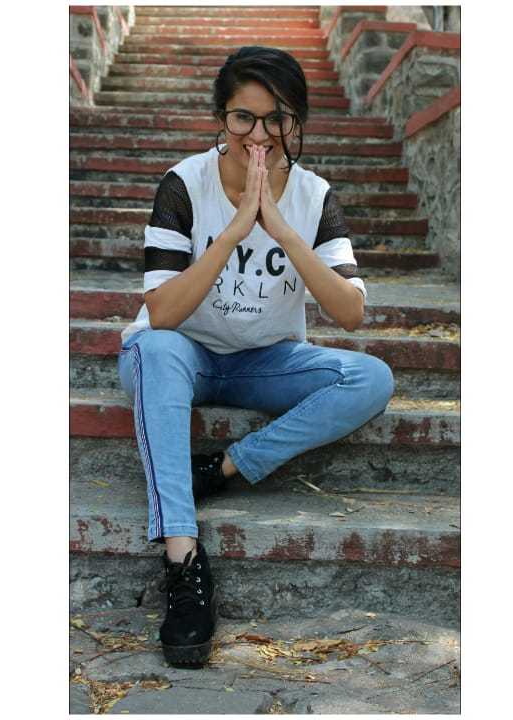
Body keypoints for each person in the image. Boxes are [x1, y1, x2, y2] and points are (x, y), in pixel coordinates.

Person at [117, 46, 395, 668]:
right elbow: (163, 311)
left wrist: (282, 229)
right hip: (178, 357)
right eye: (244, 117)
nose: (260, 135)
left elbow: (350, 312)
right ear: (222, 117)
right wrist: (236, 229)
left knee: (371, 378)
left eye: (277, 119)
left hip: (264, 361)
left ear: (297, 122)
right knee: (153, 346)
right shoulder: (183, 184)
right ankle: (184, 561)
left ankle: (224, 468)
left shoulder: (315, 196)